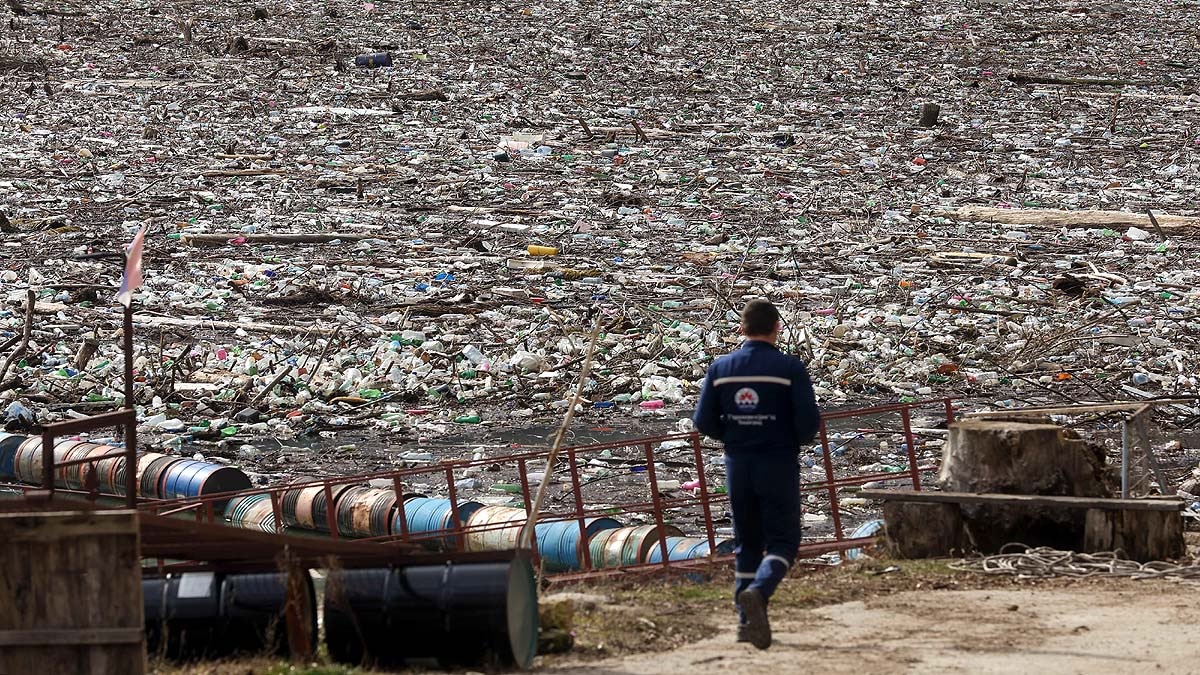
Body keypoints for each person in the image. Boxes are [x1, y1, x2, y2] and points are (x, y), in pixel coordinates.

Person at [692, 298, 821, 650]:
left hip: (738, 465)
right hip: (777, 464)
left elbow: (703, 421)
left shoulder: (721, 369)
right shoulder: (789, 368)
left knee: (747, 543)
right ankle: (759, 591)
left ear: (741, 329)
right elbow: (809, 422)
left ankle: (745, 623)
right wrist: (787, 441)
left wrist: (734, 437)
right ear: (777, 327)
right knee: (783, 541)